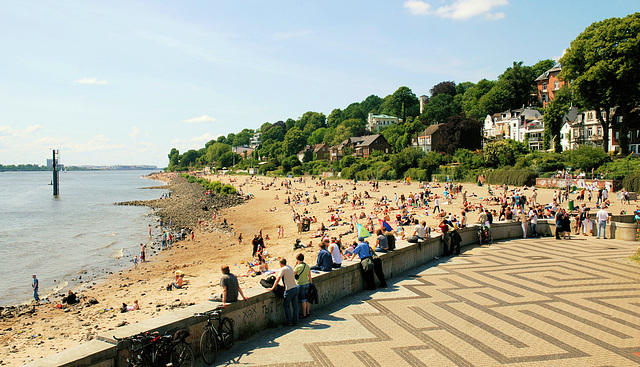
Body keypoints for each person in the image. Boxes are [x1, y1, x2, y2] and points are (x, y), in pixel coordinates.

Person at [269, 258, 299, 326]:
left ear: (281, 264)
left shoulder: (283, 269)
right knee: (295, 306)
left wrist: (272, 288)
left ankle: (289, 321)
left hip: (289, 289)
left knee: (286, 305)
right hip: (295, 288)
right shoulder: (290, 267)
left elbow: (278, 279)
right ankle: (296, 321)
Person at [294, 253, 312, 319]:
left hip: (300, 284)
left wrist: (295, 265)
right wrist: (311, 283)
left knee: (303, 299)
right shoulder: (307, 266)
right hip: (307, 284)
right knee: (307, 299)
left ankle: (304, 314)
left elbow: (292, 273)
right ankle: (308, 312)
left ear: (297, 259)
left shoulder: (298, 267)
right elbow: (310, 277)